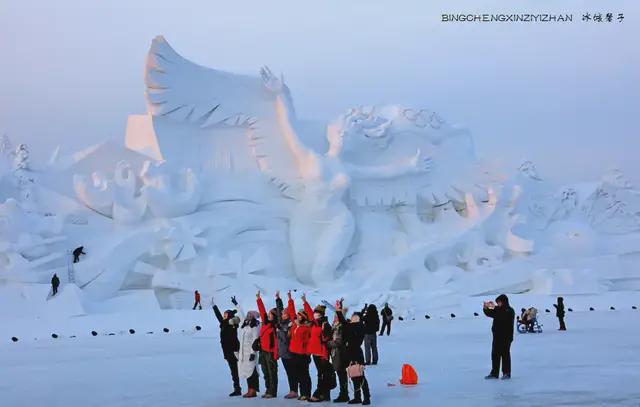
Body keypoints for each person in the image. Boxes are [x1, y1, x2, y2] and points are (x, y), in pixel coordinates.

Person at [303, 294, 335, 402]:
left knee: (323, 374)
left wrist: (325, 353)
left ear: (321, 314)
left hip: (322, 353)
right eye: (315, 312)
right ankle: (324, 395)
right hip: (315, 353)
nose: (315, 314)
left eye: (317, 313)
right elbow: (308, 314)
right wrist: (305, 302)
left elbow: (327, 339)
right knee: (321, 373)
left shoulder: (324, 324)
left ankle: (319, 393)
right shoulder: (314, 324)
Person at [336, 304, 371, 405]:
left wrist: (339, 312)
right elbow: (344, 322)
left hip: (352, 354)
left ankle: (362, 397)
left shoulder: (351, 327)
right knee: (357, 375)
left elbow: (343, 321)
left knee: (358, 376)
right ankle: (361, 397)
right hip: (356, 353)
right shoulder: (360, 327)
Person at [212, 296, 242, 396]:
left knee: (238, 370)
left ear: (229, 315)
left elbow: (237, 320)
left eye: (226, 314)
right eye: (224, 314)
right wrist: (214, 306)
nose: (224, 315)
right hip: (227, 351)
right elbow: (219, 316)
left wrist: (235, 307)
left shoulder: (232, 323)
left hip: (234, 350)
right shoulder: (224, 323)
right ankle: (237, 389)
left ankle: (245, 389)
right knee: (234, 371)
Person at [483, 294, 515, 380]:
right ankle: (494, 373)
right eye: (497, 302)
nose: (498, 303)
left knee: (505, 355)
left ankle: (506, 373)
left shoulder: (509, 310)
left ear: (504, 302)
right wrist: (485, 308)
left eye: (499, 302)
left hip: (506, 337)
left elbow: (502, 316)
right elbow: (490, 313)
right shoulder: (498, 310)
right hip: (497, 336)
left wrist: (494, 307)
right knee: (495, 355)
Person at [288, 292, 312, 400]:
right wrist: (290, 300)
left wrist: (305, 302)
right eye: (297, 315)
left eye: (299, 315)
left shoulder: (307, 327)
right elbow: (291, 311)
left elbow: (310, 315)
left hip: (303, 354)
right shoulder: (295, 324)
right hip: (294, 352)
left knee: (304, 375)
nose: (297, 316)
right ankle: (301, 393)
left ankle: (306, 393)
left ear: (303, 317)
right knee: (297, 374)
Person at [276, 291, 298, 399]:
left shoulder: (291, 323)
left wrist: (290, 299)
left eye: (284, 313)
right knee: (289, 372)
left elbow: (292, 313)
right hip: (283, 352)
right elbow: (279, 310)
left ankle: (294, 390)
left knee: (292, 372)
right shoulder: (281, 323)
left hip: (290, 352)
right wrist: (278, 299)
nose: (282, 315)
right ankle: (292, 390)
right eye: (282, 314)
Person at [256, 290, 279, 398]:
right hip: (263, 352)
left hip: (270, 353)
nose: (268, 315)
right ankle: (268, 389)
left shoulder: (275, 327)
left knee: (272, 373)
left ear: (274, 316)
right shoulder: (265, 324)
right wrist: (258, 299)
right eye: (268, 314)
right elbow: (262, 311)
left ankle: (272, 392)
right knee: (265, 373)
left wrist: (275, 355)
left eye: (271, 314)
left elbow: (276, 342)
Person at [328, 299, 350, 403]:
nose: (334, 318)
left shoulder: (340, 327)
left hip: (340, 354)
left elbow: (338, 342)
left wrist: (328, 343)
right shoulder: (335, 326)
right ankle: (343, 393)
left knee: (341, 374)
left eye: (336, 316)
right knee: (341, 374)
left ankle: (344, 394)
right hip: (336, 353)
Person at [239, 309, 261, 398]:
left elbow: (255, 340)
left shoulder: (255, 326)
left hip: (251, 352)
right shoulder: (245, 325)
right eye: (248, 314)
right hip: (244, 353)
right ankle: (250, 389)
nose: (248, 316)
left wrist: (253, 353)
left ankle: (253, 390)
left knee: (252, 372)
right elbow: (241, 314)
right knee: (247, 372)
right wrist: (236, 304)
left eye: (250, 315)